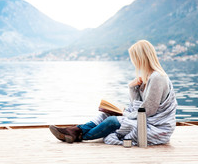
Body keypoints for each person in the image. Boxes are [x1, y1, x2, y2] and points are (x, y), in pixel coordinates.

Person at [49, 40, 178, 146]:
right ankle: (74, 130)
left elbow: (148, 110)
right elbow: (136, 105)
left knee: (112, 121)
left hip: (156, 127)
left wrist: (125, 114)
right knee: (105, 114)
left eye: (134, 58)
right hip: (144, 120)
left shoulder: (157, 77)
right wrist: (132, 88)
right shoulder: (148, 77)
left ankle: (77, 135)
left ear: (141, 58)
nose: (133, 62)